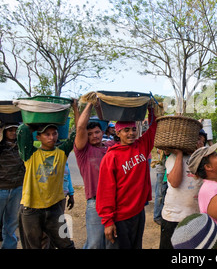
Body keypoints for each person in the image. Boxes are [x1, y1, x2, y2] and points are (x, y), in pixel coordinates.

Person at [96, 101, 160, 249]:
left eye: (133, 129)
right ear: (118, 133)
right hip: (120, 216)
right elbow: (105, 190)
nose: (131, 133)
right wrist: (108, 221)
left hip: (138, 212)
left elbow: (153, 128)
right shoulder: (111, 157)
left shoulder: (142, 146)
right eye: (126, 130)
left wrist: (151, 109)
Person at [16, 100, 78, 249]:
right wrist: (37, 120)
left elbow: (77, 131)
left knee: (66, 244)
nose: (51, 137)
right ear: (38, 137)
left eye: (54, 133)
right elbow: (23, 130)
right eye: (46, 134)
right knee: (33, 246)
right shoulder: (30, 154)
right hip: (30, 209)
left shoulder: (61, 152)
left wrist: (75, 108)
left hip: (54, 208)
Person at [74, 102, 111, 249]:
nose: (94, 136)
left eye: (96, 132)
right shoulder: (83, 150)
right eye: (89, 134)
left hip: (114, 200)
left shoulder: (111, 146)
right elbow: (80, 127)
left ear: (102, 132)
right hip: (95, 201)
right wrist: (90, 103)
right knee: (95, 243)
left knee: (109, 241)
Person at [160, 134, 205, 249]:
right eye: (197, 138)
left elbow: (206, 177)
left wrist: (199, 154)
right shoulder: (173, 158)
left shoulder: (202, 160)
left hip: (195, 217)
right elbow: (175, 182)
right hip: (173, 217)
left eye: (201, 140)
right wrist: (179, 154)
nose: (199, 142)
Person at [0, 119, 25, 249]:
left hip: (17, 188)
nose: (13, 133)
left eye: (15, 130)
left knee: (11, 224)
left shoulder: (22, 147)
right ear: (4, 131)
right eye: (10, 130)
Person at [153, 149, 167, 225]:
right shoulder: (162, 139)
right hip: (162, 170)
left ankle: (162, 215)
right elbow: (159, 150)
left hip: (168, 170)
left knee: (165, 194)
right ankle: (157, 216)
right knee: (160, 195)